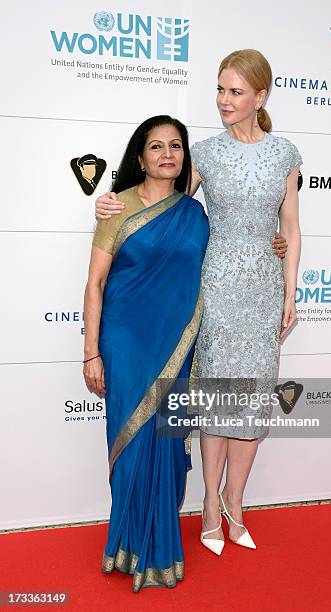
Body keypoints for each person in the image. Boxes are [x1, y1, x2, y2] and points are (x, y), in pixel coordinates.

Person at [94, 49, 301, 556]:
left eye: (235, 91)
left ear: (260, 97)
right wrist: (108, 199)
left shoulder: (285, 154)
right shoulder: (204, 153)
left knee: (250, 403)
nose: (224, 100)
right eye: (221, 89)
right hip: (215, 288)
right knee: (217, 399)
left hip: (264, 289)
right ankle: (209, 504)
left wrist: (290, 291)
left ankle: (235, 503)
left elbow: (292, 228)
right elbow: (161, 199)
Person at [83, 115, 209, 591]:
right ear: (140, 157)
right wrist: (91, 352)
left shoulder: (194, 215)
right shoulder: (116, 208)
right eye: (156, 147)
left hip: (178, 345)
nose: (166, 155)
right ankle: (127, 544)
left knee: (169, 448)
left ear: (184, 157)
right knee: (133, 447)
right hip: (125, 341)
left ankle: (156, 547)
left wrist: (275, 244)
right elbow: (95, 284)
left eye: (175, 146)